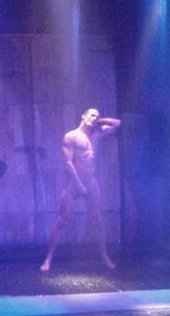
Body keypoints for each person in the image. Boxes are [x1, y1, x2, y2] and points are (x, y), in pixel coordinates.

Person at [40, 108, 121, 271]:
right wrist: (79, 185)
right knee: (62, 221)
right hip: (74, 184)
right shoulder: (71, 136)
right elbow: (68, 163)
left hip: (91, 182)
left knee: (98, 221)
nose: (94, 118)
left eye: (96, 116)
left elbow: (117, 124)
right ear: (83, 116)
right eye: (91, 115)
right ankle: (48, 258)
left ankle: (105, 256)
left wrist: (98, 121)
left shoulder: (97, 134)